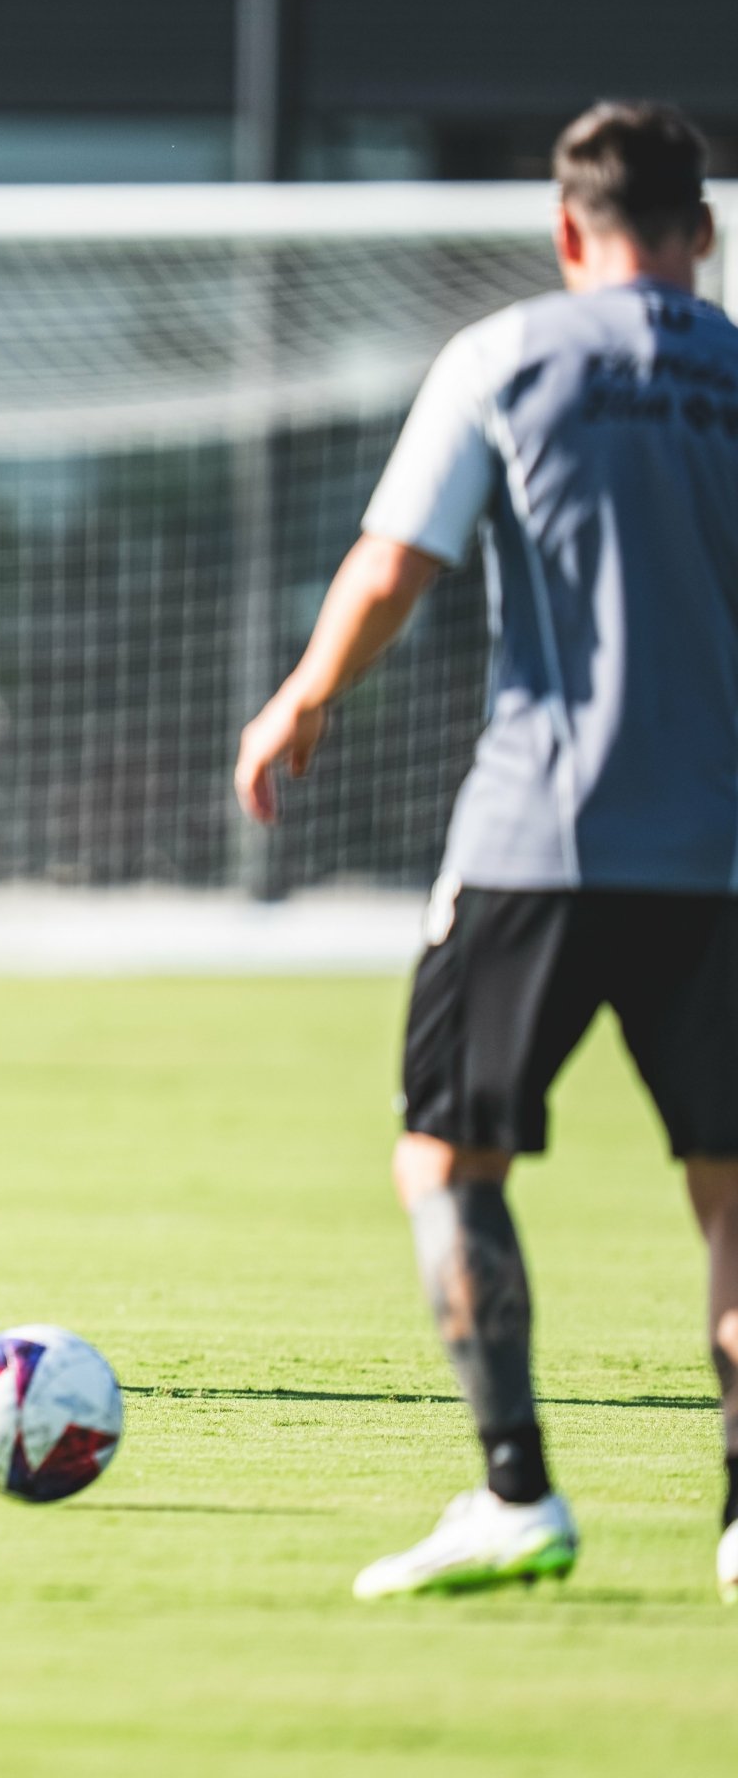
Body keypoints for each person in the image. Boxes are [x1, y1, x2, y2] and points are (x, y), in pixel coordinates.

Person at [235, 101, 738, 1604]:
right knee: (732, 1192)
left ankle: (517, 1489)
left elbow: (397, 559)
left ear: (569, 229)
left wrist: (303, 698)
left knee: (448, 1159)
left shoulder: (507, 355)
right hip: (725, 857)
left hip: (543, 837)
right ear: (701, 232)